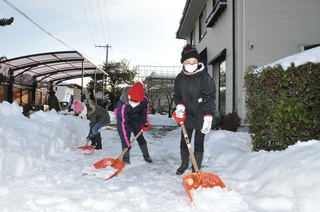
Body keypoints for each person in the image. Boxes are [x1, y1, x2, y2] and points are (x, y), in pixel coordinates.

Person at [174, 44, 216, 175]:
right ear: (183, 63)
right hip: (186, 115)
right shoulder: (180, 78)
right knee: (184, 140)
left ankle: (195, 167)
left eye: (194, 62)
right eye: (187, 62)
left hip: (201, 114)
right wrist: (180, 106)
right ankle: (184, 163)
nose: (191, 64)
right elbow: (178, 95)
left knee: (199, 142)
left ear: (198, 63)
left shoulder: (205, 78)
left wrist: (208, 117)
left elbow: (209, 97)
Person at [114, 82, 152, 164]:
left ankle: (146, 155)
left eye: (136, 102)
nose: (134, 104)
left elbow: (144, 112)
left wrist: (145, 123)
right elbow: (122, 126)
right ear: (129, 97)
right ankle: (126, 158)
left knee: (140, 137)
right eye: (132, 101)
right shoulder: (123, 105)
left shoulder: (144, 100)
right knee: (126, 139)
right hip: (125, 119)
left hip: (137, 119)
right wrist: (126, 143)